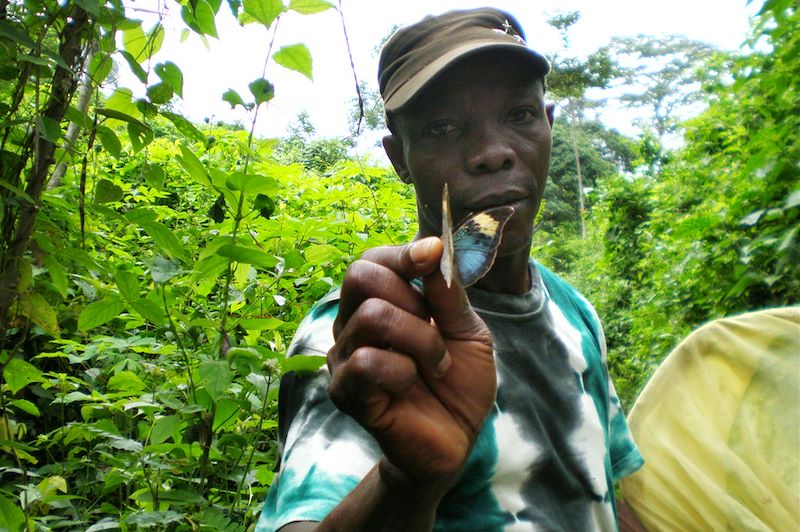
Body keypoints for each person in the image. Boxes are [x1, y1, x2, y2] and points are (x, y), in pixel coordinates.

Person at [257, 7, 643, 531]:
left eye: (520, 115)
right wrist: (408, 478)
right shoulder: (367, 332)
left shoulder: (575, 312)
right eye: (442, 128)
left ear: (549, 125)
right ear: (399, 158)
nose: (492, 152)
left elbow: (602, 490)